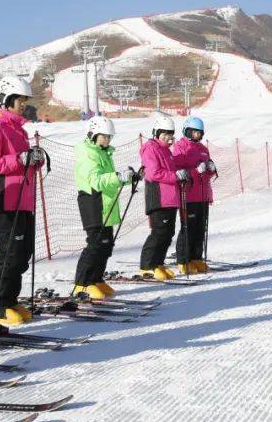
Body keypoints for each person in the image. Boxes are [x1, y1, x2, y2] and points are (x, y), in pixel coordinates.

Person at [0, 75, 42, 329]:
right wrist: (20, 158)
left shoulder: (19, 129)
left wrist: (34, 160)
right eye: (19, 99)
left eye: (25, 99)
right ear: (6, 99)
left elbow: (22, 162)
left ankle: (9, 300)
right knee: (8, 254)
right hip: (4, 199)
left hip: (23, 200)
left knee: (22, 254)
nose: (23, 104)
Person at [72, 115, 136, 298]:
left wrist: (126, 179)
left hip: (106, 204)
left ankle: (96, 278)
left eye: (109, 137)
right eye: (104, 136)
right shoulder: (87, 152)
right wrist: (118, 177)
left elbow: (109, 181)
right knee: (95, 244)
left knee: (106, 245)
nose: (107, 140)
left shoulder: (104, 153)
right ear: (93, 134)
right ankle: (82, 283)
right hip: (92, 201)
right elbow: (95, 181)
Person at [138, 113, 193, 281]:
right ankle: (147, 266)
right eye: (165, 133)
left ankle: (158, 263)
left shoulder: (166, 151)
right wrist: (176, 175)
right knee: (159, 233)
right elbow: (153, 173)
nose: (169, 137)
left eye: (171, 133)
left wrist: (182, 176)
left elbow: (171, 172)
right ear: (157, 133)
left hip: (170, 199)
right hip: (158, 197)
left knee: (168, 233)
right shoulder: (151, 147)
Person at [171, 115, 217, 274]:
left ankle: (197, 257)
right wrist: (196, 171)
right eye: (194, 132)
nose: (196, 135)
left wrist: (210, 169)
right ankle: (184, 260)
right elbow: (179, 171)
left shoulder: (203, 149)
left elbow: (208, 174)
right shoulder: (180, 147)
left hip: (203, 194)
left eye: (199, 133)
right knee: (188, 228)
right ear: (187, 131)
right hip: (188, 195)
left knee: (200, 228)